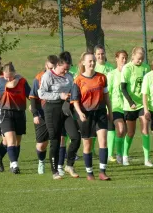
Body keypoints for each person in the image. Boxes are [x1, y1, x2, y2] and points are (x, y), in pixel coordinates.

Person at [38, 51, 82, 180]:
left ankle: (69, 165)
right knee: (55, 140)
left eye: (68, 69)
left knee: (76, 137)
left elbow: (73, 90)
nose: (65, 72)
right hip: (52, 109)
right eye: (64, 69)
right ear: (58, 64)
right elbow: (41, 94)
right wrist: (59, 96)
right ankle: (55, 171)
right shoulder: (48, 76)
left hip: (66, 108)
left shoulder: (69, 77)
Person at [72, 52, 113, 181]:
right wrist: (80, 113)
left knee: (103, 141)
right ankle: (89, 172)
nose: (92, 63)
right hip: (85, 115)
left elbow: (106, 96)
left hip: (100, 112)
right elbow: (75, 100)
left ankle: (102, 172)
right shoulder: (78, 80)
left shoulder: (102, 77)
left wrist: (110, 111)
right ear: (83, 63)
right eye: (89, 61)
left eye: (93, 61)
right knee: (87, 145)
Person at [120, 47, 151, 166]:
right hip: (130, 106)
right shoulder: (127, 68)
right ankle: (125, 155)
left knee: (145, 130)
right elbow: (123, 88)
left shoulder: (146, 68)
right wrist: (131, 102)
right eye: (138, 59)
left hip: (142, 104)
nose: (140, 61)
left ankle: (147, 159)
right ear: (133, 57)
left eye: (142, 59)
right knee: (131, 132)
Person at [0, 62, 31, 174]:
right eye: (7, 76)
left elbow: (30, 94)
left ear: (14, 73)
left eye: (11, 76)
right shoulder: (2, 80)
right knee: (10, 140)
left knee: (14, 142)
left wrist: (34, 104)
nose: (8, 78)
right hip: (5, 112)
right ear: (3, 74)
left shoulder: (23, 81)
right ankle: (14, 165)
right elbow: (11, 85)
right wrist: (17, 78)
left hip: (19, 113)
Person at [29, 55, 59, 174]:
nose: (52, 70)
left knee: (58, 140)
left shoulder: (59, 76)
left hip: (56, 113)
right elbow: (32, 97)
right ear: (46, 65)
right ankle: (41, 161)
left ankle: (58, 166)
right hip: (42, 115)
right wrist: (35, 114)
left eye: (54, 67)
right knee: (42, 144)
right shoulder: (39, 78)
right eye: (50, 68)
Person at [106, 50, 128, 164]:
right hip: (115, 107)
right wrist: (107, 109)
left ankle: (124, 155)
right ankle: (119, 154)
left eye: (125, 58)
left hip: (128, 107)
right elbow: (107, 93)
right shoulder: (111, 75)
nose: (124, 60)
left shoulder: (129, 73)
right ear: (116, 59)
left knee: (127, 132)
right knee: (120, 129)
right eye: (122, 58)